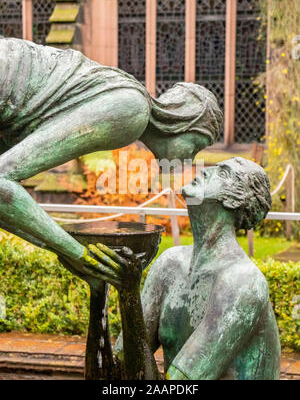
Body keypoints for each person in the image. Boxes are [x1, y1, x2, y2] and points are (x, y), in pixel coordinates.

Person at [0, 37, 222, 283]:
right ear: (183, 122)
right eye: (196, 146)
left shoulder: (122, 97)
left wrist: (66, 248)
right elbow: (2, 183)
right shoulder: (131, 110)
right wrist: (80, 255)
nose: (190, 160)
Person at [94, 157, 281, 380]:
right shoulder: (169, 264)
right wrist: (98, 291)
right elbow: (118, 372)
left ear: (235, 201)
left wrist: (129, 294)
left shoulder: (243, 282)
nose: (206, 170)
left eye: (223, 173)